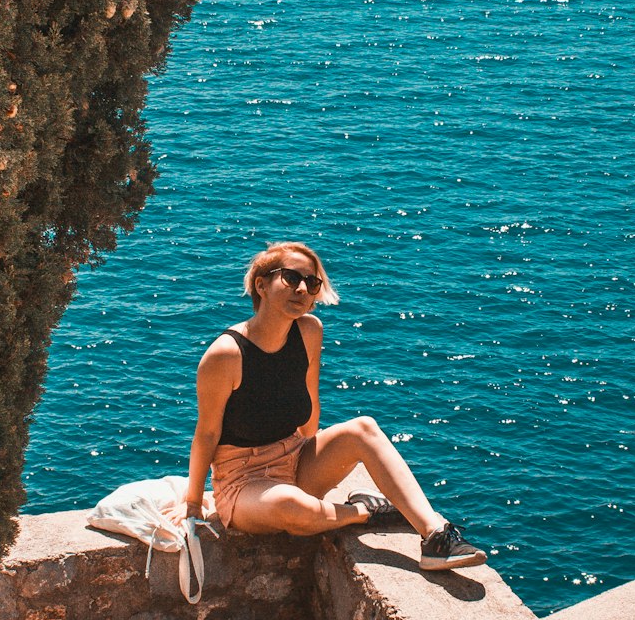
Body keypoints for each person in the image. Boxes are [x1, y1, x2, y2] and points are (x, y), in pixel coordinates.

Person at [171, 240, 487, 572]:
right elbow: (206, 434)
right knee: (291, 505)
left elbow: (310, 403)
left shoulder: (309, 331)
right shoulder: (226, 354)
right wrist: (193, 503)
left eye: (312, 282)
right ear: (261, 285)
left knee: (363, 428)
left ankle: (436, 535)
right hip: (243, 483)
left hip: (294, 457)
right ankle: (366, 511)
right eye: (291, 278)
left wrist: (318, 455)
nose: (303, 289)